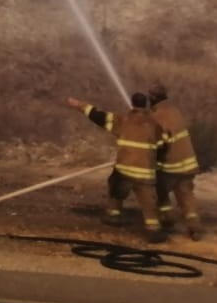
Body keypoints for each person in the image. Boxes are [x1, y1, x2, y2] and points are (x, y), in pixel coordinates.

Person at [67, 92, 166, 243]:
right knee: (148, 202)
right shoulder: (155, 125)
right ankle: (153, 230)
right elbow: (162, 146)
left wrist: (79, 105)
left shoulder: (123, 120)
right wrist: (157, 164)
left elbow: (98, 116)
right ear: (146, 105)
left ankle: (113, 215)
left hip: (124, 170)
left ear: (132, 104)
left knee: (115, 189)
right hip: (144, 173)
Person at [148, 81, 202, 240]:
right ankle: (194, 227)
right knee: (186, 196)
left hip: (170, 166)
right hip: (188, 165)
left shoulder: (157, 117)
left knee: (160, 192)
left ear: (152, 98)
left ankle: (167, 220)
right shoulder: (175, 111)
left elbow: (161, 143)